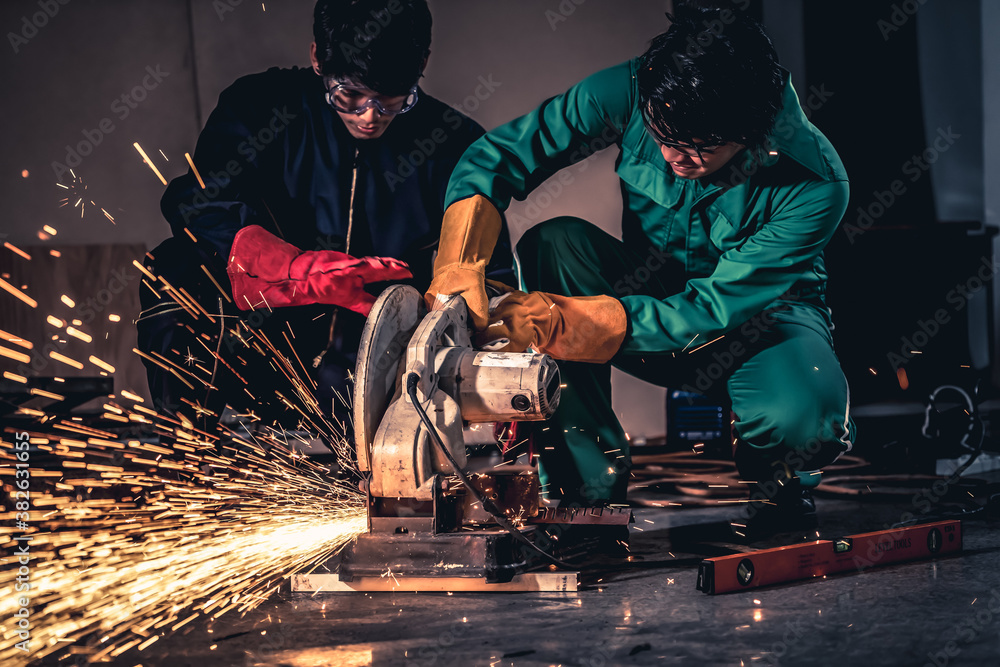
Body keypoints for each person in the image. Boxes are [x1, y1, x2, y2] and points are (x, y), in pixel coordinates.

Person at [425, 6, 854, 538]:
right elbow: (501, 154)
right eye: (664, 138)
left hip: (759, 323)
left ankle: (779, 486)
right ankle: (586, 495)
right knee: (554, 243)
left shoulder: (816, 183)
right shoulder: (636, 88)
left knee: (805, 413)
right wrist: (461, 261)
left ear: (752, 128)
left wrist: (558, 323)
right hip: (645, 294)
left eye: (701, 149)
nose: (675, 157)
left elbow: (711, 308)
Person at [138, 0, 512, 434]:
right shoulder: (259, 106)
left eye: (392, 100)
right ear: (318, 57)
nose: (370, 116)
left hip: (386, 369)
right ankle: (189, 442)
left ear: (422, 65)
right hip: (264, 344)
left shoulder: (455, 144)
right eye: (349, 96)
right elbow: (198, 202)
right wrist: (285, 265)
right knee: (175, 267)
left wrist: (499, 367)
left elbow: (487, 273)